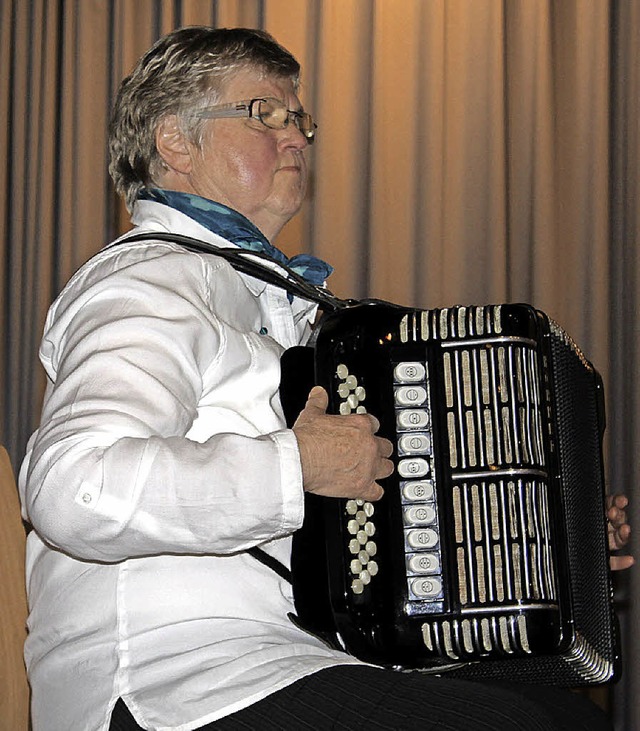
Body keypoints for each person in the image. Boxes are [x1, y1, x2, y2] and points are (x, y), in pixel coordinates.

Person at [18, 26, 632, 731]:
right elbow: (75, 485)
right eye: (265, 115)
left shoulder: (280, 307)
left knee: (559, 711)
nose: (298, 138)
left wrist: (549, 534)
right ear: (173, 142)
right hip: (171, 676)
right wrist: (296, 463)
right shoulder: (147, 280)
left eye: (299, 119)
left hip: (287, 655)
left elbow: (363, 515)